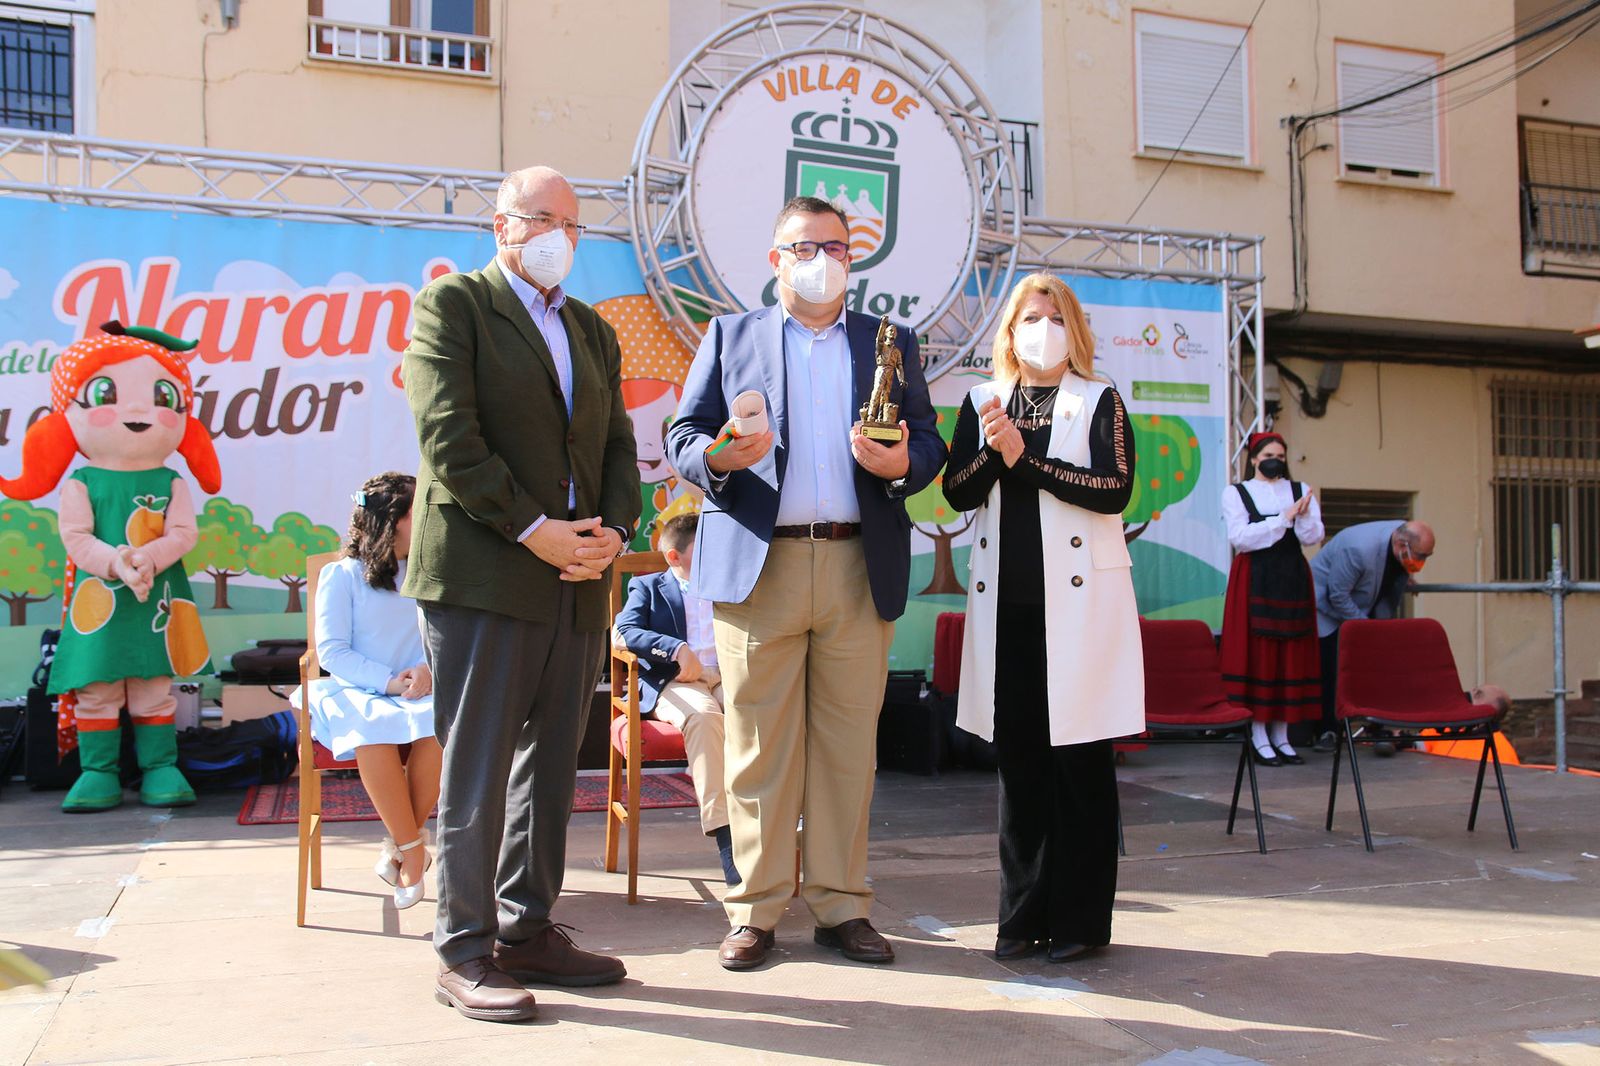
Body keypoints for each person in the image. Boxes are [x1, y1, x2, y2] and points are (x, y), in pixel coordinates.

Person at [665, 196, 947, 972]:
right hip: (762, 564)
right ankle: (754, 911)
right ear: (774, 259)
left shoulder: (890, 343)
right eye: (802, 247)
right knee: (756, 748)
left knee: (849, 748)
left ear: (853, 258)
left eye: (834, 246)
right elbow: (682, 437)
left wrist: (905, 465)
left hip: (859, 564)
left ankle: (840, 906)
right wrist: (720, 456)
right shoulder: (731, 336)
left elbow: (928, 444)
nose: (819, 259)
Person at [402, 165, 640, 1023]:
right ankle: (462, 948)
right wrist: (534, 527)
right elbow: (448, 438)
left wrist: (613, 529)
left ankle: (526, 927)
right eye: (540, 219)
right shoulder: (454, 307)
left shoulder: (592, 331)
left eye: (572, 225)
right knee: (478, 764)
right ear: (500, 225)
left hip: (578, 578)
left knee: (551, 768)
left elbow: (618, 443)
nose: (556, 237)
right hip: (487, 572)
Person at [943, 271, 1142, 964]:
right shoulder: (982, 400)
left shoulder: (1099, 399)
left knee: (1081, 770)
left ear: (1075, 329)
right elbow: (956, 488)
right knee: (1020, 771)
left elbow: (1114, 490)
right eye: (1031, 317)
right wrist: (997, 457)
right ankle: (1020, 920)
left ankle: (1081, 923)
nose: (1043, 329)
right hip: (1010, 611)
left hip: (1081, 611)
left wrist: (1025, 460)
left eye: (1056, 318)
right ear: (1009, 329)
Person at [0, 322, 221, 814]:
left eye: (162, 395)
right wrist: (118, 562)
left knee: (153, 685)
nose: (139, 409)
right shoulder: (81, 481)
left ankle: (160, 768)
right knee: (97, 688)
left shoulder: (171, 480)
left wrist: (149, 557)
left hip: (158, 597)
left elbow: (184, 533)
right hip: (98, 600)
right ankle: (97, 772)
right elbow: (75, 537)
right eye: (106, 393)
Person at [296, 472, 440, 910]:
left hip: (420, 689)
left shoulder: (431, 569)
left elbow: (445, 634)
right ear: (393, 519)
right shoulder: (341, 575)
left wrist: (427, 670)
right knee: (373, 728)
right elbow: (333, 652)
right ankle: (413, 853)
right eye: (420, 511)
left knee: (440, 725)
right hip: (358, 689)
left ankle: (398, 844)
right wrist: (387, 681)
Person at [613, 512, 739, 886]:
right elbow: (625, 630)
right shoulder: (650, 586)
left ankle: (772, 823)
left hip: (727, 676)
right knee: (704, 717)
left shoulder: (729, 585)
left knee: (760, 713)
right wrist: (675, 648)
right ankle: (725, 833)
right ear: (674, 557)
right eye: (704, 550)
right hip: (677, 681)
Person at [1219, 432, 1324, 766]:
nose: (1274, 459)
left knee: (1289, 653)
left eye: (1280, 453)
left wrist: (1302, 515)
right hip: (1255, 577)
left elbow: (1313, 536)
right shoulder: (1236, 493)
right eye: (1268, 454)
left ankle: (1283, 736)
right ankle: (1259, 735)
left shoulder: (1300, 489)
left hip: (1291, 575)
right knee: (1259, 653)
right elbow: (1241, 538)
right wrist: (1283, 518)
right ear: (1253, 458)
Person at [1310, 519, 1435, 754]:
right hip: (1327, 611)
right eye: (1419, 555)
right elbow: (1337, 595)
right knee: (1332, 671)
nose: (1421, 561)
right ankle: (1328, 731)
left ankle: (1380, 727)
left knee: (1381, 666)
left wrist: (1404, 574)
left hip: (1362, 608)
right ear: (1401, 544)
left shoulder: (1402, 535)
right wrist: (1367, 629)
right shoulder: (1357, 549)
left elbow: (1385, 569)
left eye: (1427, 556)